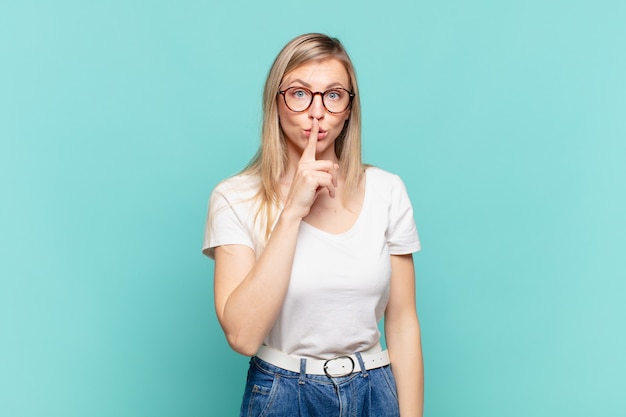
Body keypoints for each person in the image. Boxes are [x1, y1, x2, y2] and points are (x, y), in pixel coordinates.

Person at [203, 33, 424, 417]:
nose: (317, 111)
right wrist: (292, 212)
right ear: (276, 101)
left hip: (374, 390)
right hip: (284, 393)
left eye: (334, 95)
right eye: (300, 93)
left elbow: (403, 322)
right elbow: (242, 335)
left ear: (349, 109)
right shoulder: (234, 197)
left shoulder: (387, 190)